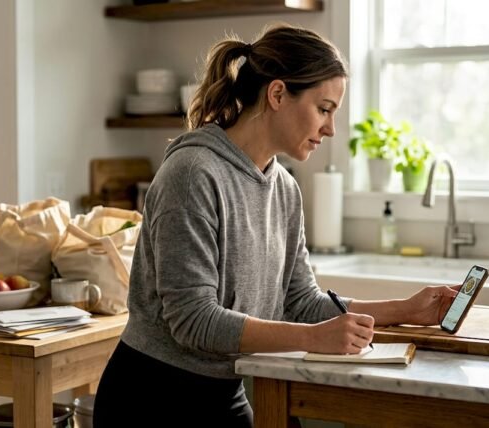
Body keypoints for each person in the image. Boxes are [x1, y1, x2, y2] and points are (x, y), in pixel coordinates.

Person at [93, 24, 458, 427]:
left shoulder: (283, 187)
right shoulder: (193, 173)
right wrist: (314, 338)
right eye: (324, 109)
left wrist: (405, 310)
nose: (330, 129)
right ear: (278, 94)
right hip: (153, 399)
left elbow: (300, 302)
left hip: (225, 391)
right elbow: (193, 321)